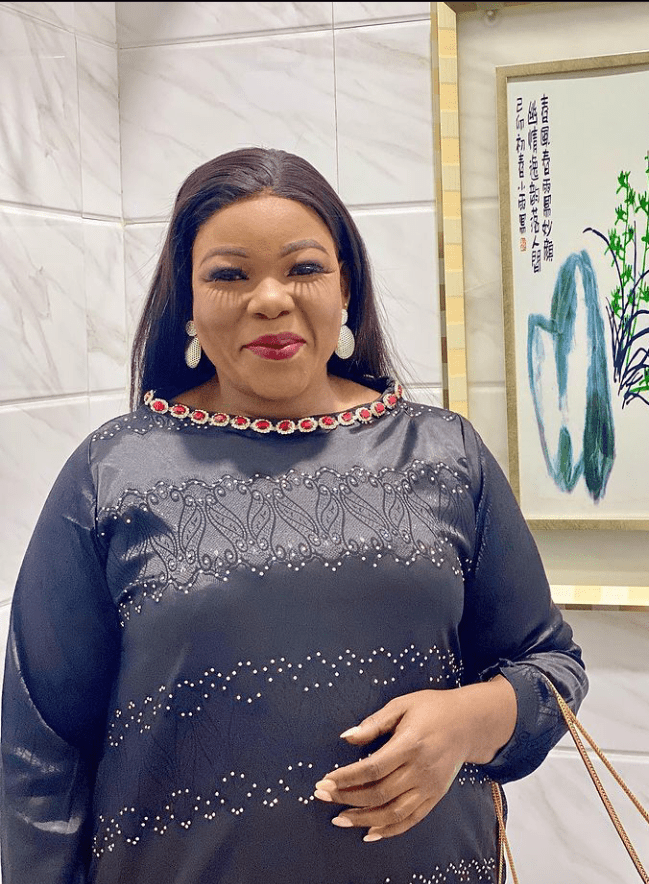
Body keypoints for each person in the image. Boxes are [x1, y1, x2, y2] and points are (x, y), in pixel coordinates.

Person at [1, 147, 588, 884]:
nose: (271, 299)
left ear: (346, 287)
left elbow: (551, 667)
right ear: (187, 302)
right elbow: (40, 751)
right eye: (229, 275)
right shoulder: (111, 473)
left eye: (303, 268)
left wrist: (467, 723)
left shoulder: (446, 456)